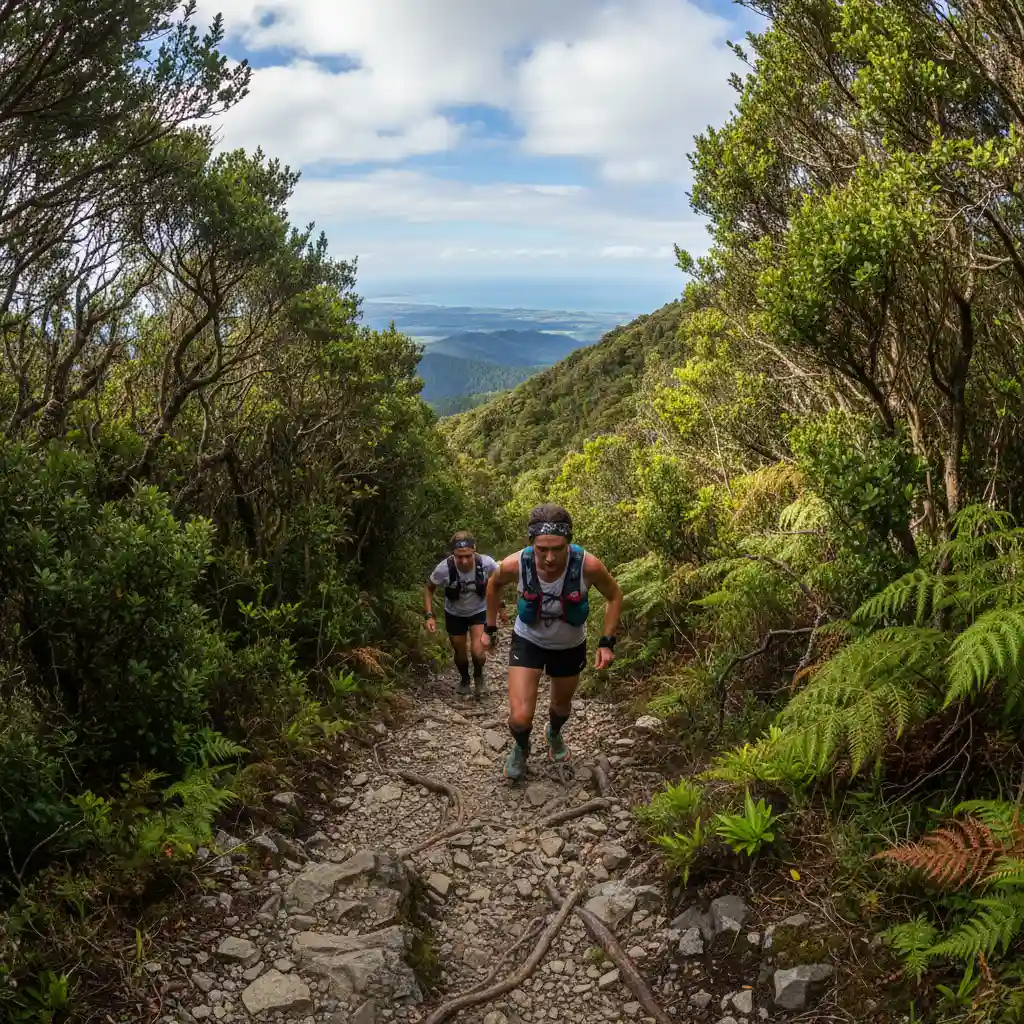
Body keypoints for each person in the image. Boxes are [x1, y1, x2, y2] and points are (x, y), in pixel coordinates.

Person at [481, 503, 622, 780]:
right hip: (528, 639)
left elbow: (614, 596)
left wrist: (606, 642)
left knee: (561, 706)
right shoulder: (515, 564)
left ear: (569, 542)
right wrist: (490, 627)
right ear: (531, 542)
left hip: (569, 645)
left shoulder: (588, 566)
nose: (548, 558)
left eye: (556, 549)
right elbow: (493, 585)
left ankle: (554, 733)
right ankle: (521, 748)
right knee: (519, 717)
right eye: (541, 549)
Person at [424, 531, 503, 696]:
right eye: (459, 557)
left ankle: (479, 676)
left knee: (478, 652)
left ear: (474, 550)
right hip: (454, 613)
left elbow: (498, 583)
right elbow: (429, 588)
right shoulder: (444, 568)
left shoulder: (487, 563)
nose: (464, 560)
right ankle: (465, 679)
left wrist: (500, 606)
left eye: (468, 556)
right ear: (453, 554)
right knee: (460, 653)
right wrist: (429, 615)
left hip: (479, 610)